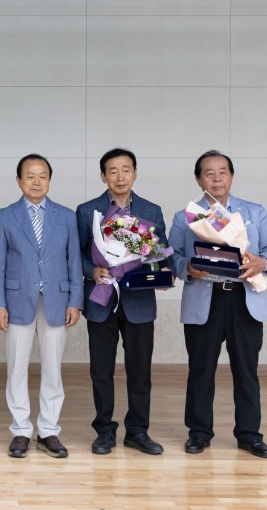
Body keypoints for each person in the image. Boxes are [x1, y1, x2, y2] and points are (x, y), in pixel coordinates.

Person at [168, 150, 267, 459]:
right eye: (209, 173)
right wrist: (186, 267)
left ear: (231, 177)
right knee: (200, 370)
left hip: (244, 299)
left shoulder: (254, 211)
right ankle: (199, 432)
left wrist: (261, 262)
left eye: (223, 172)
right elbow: (172, 256)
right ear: (198, 179)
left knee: (246, 371)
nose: (217, 178)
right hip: (204, 299)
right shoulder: (186, 217)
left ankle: (249, 434)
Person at [0, 154, 82, 459]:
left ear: (50, 180)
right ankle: (20, 431)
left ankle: (48, 431)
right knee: (16, 368)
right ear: (18, 181)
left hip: (57, 301)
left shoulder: (66, 216)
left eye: (42, 176)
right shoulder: (5, 216)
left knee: (53, 369)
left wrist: (76, 301)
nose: (36, 181)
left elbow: (74, 262)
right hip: (17, 302)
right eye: (30, 176)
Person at [75, 147, 167, 456]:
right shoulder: (87, 211)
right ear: (103, 176)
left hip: (139, 300)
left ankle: (138, 432)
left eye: (126, 170)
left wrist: (160, 275)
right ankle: (104, 431)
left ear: (135, 174)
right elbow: (76, 255)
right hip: (101, 300)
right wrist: (92, 270)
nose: (120, 176)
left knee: (140, 372)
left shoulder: (151, 210)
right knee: (101, 371)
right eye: (112, 171)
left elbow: (161, 254)